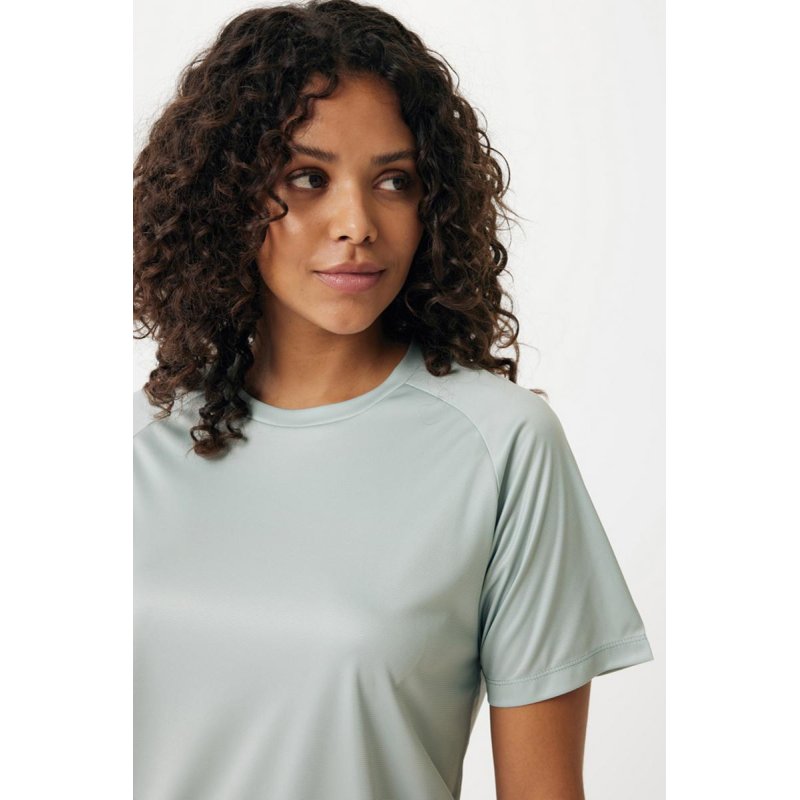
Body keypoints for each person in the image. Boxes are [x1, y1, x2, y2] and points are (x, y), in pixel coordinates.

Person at [133, 1, 654, 798]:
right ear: (227, 194)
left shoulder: (502, 445)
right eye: (308, 178)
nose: (357, 223)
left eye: (394, 182)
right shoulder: (136, 443)